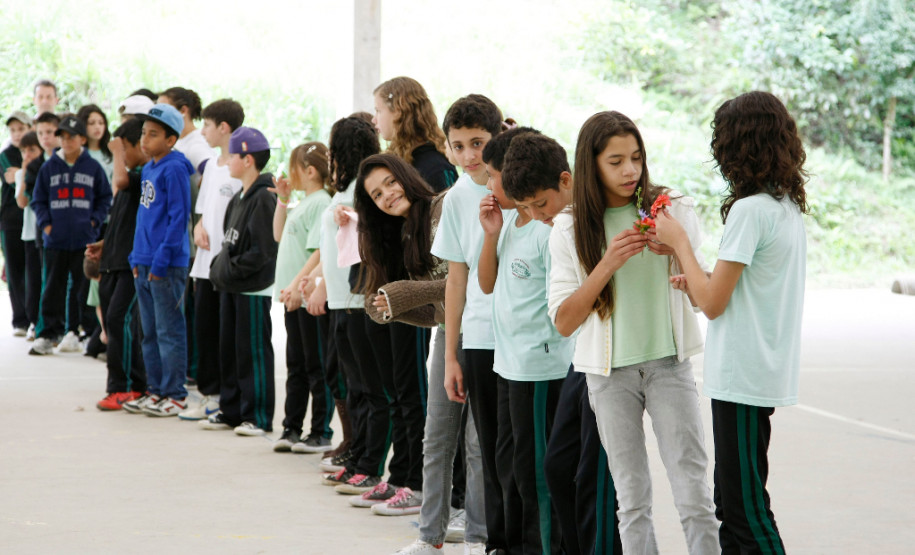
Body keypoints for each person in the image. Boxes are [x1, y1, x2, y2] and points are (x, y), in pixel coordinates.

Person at [548, 110, 718, 554]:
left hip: (669, 367)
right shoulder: (569, 226)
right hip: (608, 377)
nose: (630, 171)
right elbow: (564, 320)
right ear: (591, 164)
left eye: (637, 158)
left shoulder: (671, 208)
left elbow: (704, 295)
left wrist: (679, 250)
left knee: (694, 494)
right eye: (616, 161)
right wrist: (607, 263)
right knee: (632, 500)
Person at [654, 91, 808, 555]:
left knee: (744, 508)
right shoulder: (783, 206)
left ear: (735, 146)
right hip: (760, 371)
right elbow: (724, 291)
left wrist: (680, 241)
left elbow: (714, 304)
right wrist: (694, 277)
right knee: (734, 498)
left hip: (742, 375)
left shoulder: (749, 211)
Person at [476, 129, 575, 555]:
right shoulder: (513, 222)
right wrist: (491, 235)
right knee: (509, 465)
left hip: (539, 365)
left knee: (536, 471)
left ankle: (543, 547)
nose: (488, 184)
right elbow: (486, 282)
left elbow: (565, 303)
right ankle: (514, 544)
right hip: (507, 363)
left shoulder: (547, 228)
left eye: (492, 175)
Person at [433, 94, 518, 553]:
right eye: (459, 145)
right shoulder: (456, 199)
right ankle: (491, 541)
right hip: (479, 338)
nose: (469, 156)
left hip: (527, 339)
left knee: (521, 448)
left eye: (479, 143)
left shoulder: (523, 186)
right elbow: (455, 280)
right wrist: (451, 354)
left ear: (498, 137)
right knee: (488, 448)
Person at [302, 117, 383, 494]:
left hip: (356, 299)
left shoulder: (361, 191)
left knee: (368, 387)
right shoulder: (344, 190)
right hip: (339, 299)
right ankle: (356, 454)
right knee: (353, 385)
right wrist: (318, 282)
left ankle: (368, 462)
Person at [122, 103, 194, 417]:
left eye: (153, 134)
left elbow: (178, 218)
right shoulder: (149, 167)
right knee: (148, 332)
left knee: (169, 331)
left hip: (167, 263)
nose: (145, 140)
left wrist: (161, 260)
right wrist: (136, 256)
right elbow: (144, 218)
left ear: (171, 139)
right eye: (143, 133)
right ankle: (155, 390)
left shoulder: (175, 167)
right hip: (144, 260)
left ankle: (175, 393)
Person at [207, 127, 279, 436]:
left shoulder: (264, 197)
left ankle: (257, 416)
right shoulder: (240, 196)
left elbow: (263, 251)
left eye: (232, 156)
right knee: (230, 350)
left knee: (253, 352)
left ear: (248, 159)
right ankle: (232, 409)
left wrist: (231, 268)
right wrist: (220, 267)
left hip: (251, 287)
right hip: (231, 285)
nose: (227, 162)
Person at [181, 98, 245, 421]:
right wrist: (196, 229)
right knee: (204, 329)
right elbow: (202, 210)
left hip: (227, 265)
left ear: (223, 128)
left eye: (206, 124)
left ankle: (227, 396)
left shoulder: (240, 168)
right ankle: (209, 394)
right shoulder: (213, 167)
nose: (202, 130)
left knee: (225, 335)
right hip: (204, 264)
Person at [29, 116, 112, 356]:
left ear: (82, 140)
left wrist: (94, 222)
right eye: (62, 137)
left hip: (84, 239)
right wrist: (47, 226)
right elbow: (38, 200)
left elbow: (105, 198)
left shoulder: (93, 167)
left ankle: (77, 332)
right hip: (55, 240)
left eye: (71, 137)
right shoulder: (49, 166)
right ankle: (47, 335)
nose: (66, 141)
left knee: (82, 287)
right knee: (52, 286)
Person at [271, 142, 334, 452]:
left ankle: (320, 431)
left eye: (293, 167)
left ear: (309, 171)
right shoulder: (305, 202)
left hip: (306, 296)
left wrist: (299, 287)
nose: (289, 173)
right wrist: (283, 200)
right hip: (292, 296)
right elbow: (279, 235)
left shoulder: (321, 202)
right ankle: (291, 427)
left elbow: (318, 252)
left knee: (315, 365)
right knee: (296, 364)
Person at [91, 118, 148, 411]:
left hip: (130, 264)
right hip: (113, 260)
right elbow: (122, 221)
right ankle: (136, 385)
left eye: (125, 148)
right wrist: (103, 245)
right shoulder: (133, 177)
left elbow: (121, 180)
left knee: (118, 320)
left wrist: (115, 154)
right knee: (120, 324)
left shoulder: (141, 176)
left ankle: (122, 387)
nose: (122, 155)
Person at [372, 76, 458, 192]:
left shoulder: (436, 167)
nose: (374, 119)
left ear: (398, 111)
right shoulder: (400, 159)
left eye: (378, 111)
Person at [1, 111, 31, 336]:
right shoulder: (5, 154)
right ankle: (19, 319)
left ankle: (33, 316)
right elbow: (11, 180)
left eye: (21, 129)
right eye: (13, 130)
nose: (17, 134)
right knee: (14, 270)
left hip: (32, 220)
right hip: (10, 220)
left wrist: (22, 173)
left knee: (33, 269)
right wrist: (25, 173)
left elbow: (23, 177)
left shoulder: (35, 152)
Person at [76, 105, 114, 181]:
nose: (97, 127)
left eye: (101, 123)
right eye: (91, 123)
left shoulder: (111, 153)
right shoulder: (76, 152)